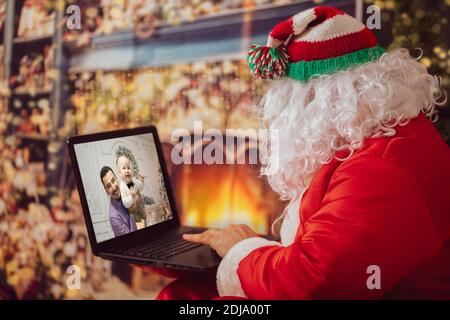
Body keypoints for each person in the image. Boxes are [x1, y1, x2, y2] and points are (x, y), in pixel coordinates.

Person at [140, 5, 450, 299]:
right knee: (185, 292)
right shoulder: (380, 137)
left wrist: (242, 250)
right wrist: (234, 247)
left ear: (318, 100)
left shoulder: (381, 169)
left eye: (288, 100)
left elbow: (312, 283)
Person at [100, 166, 137, 237]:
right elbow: (132, 239)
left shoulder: (125, 190)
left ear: (117, 179)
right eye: (108, 186)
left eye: (113, 180)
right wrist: (131, 210)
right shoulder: (113, 217)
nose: (113, 187)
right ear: (106, 191)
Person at [116, 155, 147, 224]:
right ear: (120, 172)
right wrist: (131, 196)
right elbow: (125, 203)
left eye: (128, 168)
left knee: (144, 216)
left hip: (138, 205)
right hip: (131, 210)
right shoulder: (122, 186)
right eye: (124, 168)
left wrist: (142, 181)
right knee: (136, 222)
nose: (127, 170)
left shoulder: (133, 180)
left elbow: (140, 188)